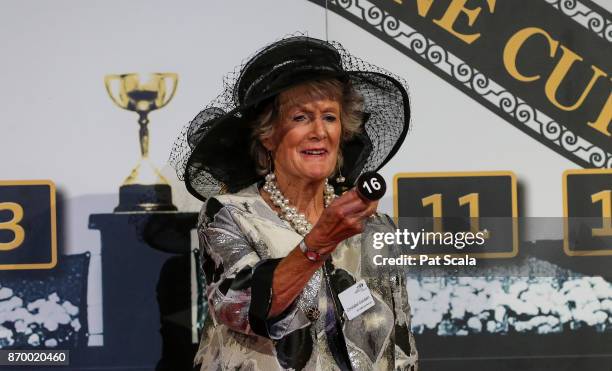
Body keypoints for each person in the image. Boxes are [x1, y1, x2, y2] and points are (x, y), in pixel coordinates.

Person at [171, 35, 418, 370]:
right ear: (268, 134)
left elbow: (401, 349)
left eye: (329, 117)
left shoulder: (376, 228)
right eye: (301, 117)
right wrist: (321, 241)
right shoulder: (230, 215)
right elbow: (243, 309)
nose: (319, 131)